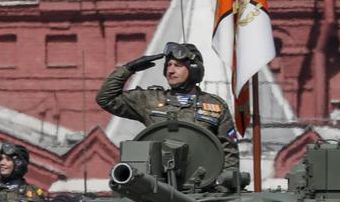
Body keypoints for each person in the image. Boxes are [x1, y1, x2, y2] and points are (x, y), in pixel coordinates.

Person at [96, 41, 239, 178]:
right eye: (168, 65)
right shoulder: (150, 100)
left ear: (194, 69)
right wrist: (128, 69)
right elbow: (106, 99)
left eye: (177, 65)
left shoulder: (215, 107)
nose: (170, 70)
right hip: (157, 182)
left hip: (202, 182)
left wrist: (227, 179)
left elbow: (229, 150)